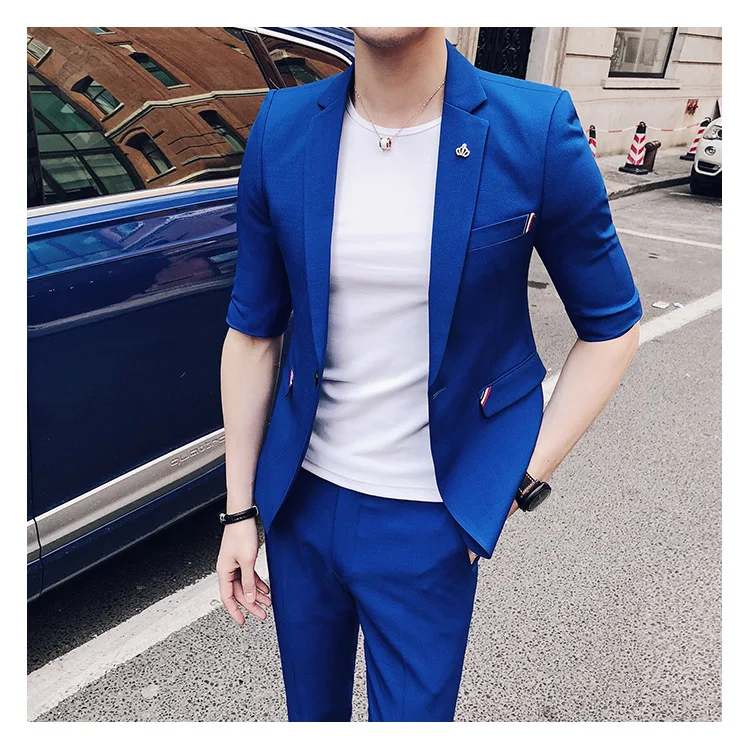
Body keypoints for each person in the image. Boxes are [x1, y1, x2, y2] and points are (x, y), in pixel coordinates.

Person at [216, 27, 642, 722]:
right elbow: (253, 331)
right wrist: (240, 513)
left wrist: (514, 485)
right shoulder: (283, 125)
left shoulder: (533, 128)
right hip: (301, 507)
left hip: (430, 518)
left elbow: (612, 325)